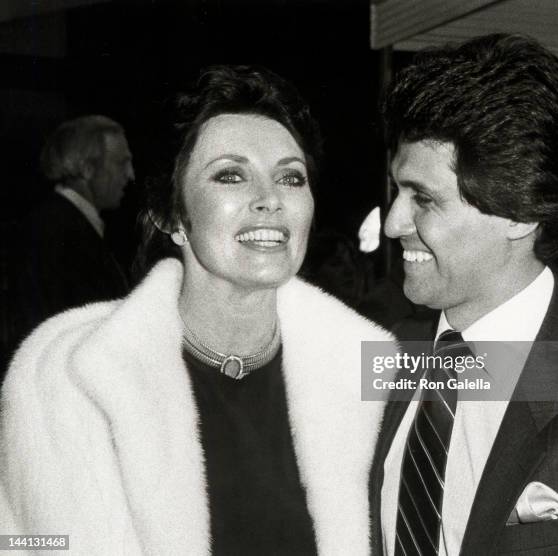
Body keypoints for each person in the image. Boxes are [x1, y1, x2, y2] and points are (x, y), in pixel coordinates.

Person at [0, 66, 392, 555]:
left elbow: (498, 372)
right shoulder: (65, 373)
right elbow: (26, 544)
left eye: (291, 177)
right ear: (171, 215)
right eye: (231, 175)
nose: (270, 200)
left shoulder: (366, 359)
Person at [369, 34, 558, 555]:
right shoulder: (385, 353)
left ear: (520, 213)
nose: (392, 223)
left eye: (424, 199)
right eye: (397, 190)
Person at [4, 115, 132, 371]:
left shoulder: (63, 225)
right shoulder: (55, 233)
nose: (130, 175)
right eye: (121, 163)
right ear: (87, 169)